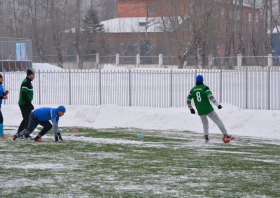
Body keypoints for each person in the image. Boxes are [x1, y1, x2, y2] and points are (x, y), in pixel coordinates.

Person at [187, 75, 235, 143]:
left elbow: (188, 99)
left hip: (200, 110)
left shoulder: (192, 89)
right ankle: (226, 136)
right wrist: (217, 105)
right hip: (208, 109)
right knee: (218, 121)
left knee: (205, 123)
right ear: (202, 80)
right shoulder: (205, 88)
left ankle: (206, 138)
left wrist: (191, 108)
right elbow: (211, 97)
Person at [17, 68, 35, 139]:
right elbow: (24, 94)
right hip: (24, 104)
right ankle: (26, 135)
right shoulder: (26, 82)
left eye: (34, 74)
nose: (34, 76)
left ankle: (19, 133)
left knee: (26, 119)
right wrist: (29, 104)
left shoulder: (28, 82)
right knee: (28, 119)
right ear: (29, 75)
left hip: (25, 103)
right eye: (32, 74)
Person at [0, 74, 9, 139]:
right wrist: (3, 97)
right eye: (1, 78)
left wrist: (5, 93)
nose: (2, 79)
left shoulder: (1, 86)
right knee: (1, 119)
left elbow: (1, 94)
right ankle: (1, 135)